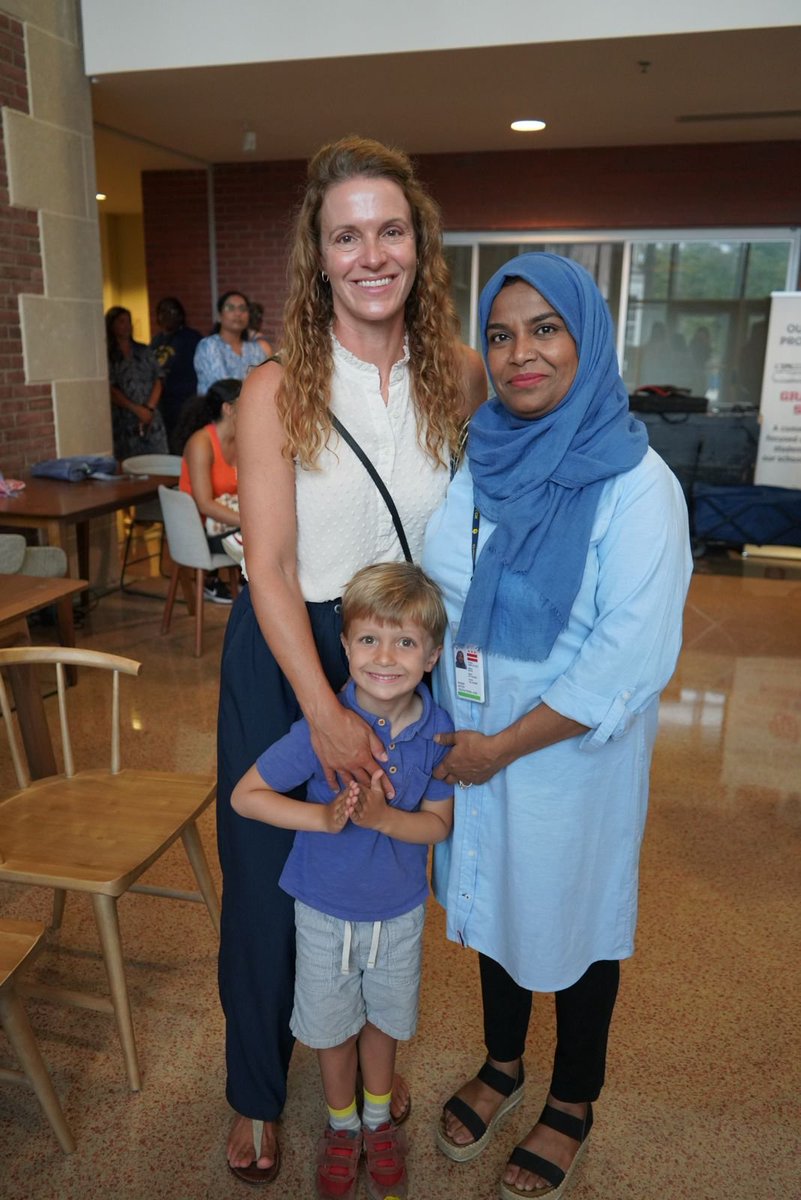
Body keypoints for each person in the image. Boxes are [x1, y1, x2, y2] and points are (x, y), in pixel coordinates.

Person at [216, 134, 486, 1186]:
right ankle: (254, 1090)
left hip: (401, 645)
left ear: (418, 243)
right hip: (297, 642)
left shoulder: (455, 373)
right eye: (345, 235)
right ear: (316, 254)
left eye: (389, 229)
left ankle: (370, 1053)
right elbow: (271, 567)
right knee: (267, 874)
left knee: (381, 855)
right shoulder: (276, 386)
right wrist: (321, 712)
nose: (370, 253)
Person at [421, 252, 692, 1200]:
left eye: (545, 330)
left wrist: (499, 746)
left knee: (572, 924)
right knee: (491, 910)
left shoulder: (637, 483)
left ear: (587, 338)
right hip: (471, 743)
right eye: (500, 333)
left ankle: (572, 1098)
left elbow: (629, 656)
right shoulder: (479, 451)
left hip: (567, 759)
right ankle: (503, 1062)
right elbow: (441, 587)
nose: (519, 353)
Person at [231, 561, 454, 1200]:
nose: (385, 657)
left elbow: (437, 825)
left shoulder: (438, 732)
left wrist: (383, 819)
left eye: (405, 642)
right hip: (324, 911)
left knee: (383, 1020)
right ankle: (342, 1125)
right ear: (345, 646)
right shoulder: (322, 732)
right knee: (331, 1027)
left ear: (432, 654)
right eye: (368, 640)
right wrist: (324, 819)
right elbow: (247, 796)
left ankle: (379, 1123)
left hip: (401, 912)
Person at [177, 378, 241, 605]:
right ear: (229, 408)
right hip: (203, 530)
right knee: (266, 538)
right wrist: (250, 521)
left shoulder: (242, 440)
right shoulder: (201, 443)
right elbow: (204, 504)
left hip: (230, 523)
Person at [106, 305, 169, 460]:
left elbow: (158, 378)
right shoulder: (108, 355)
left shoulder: (143, 350)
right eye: (121, 322)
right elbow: (109, 388)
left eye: (129, 321)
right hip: (124, 418)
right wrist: (136, 409)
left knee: (158, 460)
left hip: (150, 414)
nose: (127, 326)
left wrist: (149, 408)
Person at [149, 297, 202, 450]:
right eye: (163, 311)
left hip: (184, 401)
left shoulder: (192, 338)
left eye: (172, 311)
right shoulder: (156, 341)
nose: (167, 315)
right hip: (162, 404)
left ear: (180, 315)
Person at [194, 290, 271, 395]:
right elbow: (223, 389)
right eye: (230, 308)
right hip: (217, 409)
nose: (238, 313)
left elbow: (269, 385)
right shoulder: (209, 345)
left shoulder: (258, 350)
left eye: (243, 309)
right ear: (219, 316)